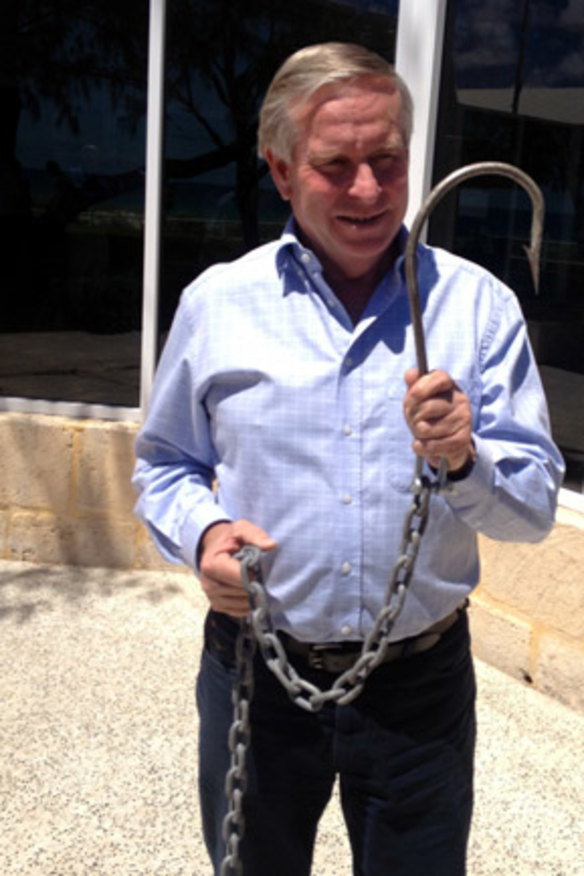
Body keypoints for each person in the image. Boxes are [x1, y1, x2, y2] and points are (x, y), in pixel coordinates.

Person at [133, 42, 564, 876]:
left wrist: (465, 460)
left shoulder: (478, 307)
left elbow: (536, 507)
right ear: (280, 170)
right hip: (256, 674)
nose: (368, 190)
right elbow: (165, 464)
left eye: (387, 159)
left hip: (420, 694)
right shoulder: (217, 305)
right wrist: (205, 535)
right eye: (335, 165)